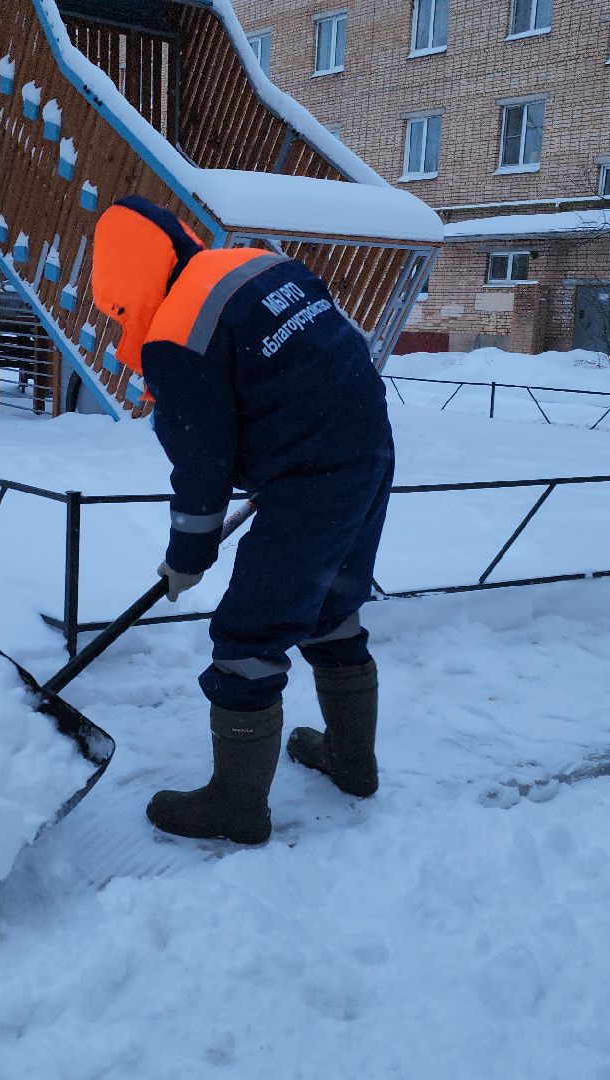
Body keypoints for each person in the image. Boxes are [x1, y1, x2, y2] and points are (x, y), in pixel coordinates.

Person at [91, 196, 393, 846]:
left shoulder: (174, 334)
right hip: (368, 445)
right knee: (331, 609)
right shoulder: (255, 264)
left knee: (247, 641)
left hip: (312, 475)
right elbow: (320, 357)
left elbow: (201, 466)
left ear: (123, 288)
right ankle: (352, 764)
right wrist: (288, 446)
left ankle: (237, 807)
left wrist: (187, 557)